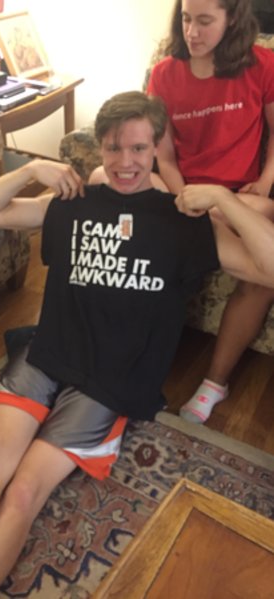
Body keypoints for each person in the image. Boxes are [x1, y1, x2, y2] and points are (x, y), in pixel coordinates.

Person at [0, 91, 274, 599]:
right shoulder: (76, 203)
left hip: (114, 376)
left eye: (138, 149)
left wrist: (225, 201)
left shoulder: (182, 222)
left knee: (23, 492)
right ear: (99, 147)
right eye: (114, 148)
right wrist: (31, 172)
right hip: (49, 350)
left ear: (157, 149)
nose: (125, 162)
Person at [93, 0, 274, 423]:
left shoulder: (263, 65)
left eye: (205, 21)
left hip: (239, 197)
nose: (192, 31)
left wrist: (265, 181)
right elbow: (167, 159)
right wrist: (185, 200)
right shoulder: (164, 74)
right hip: (183, 194)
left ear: (232, 19)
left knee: (262, 223)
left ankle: (214, 382)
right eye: (186, 19)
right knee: (103, 180)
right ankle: (112, 354)